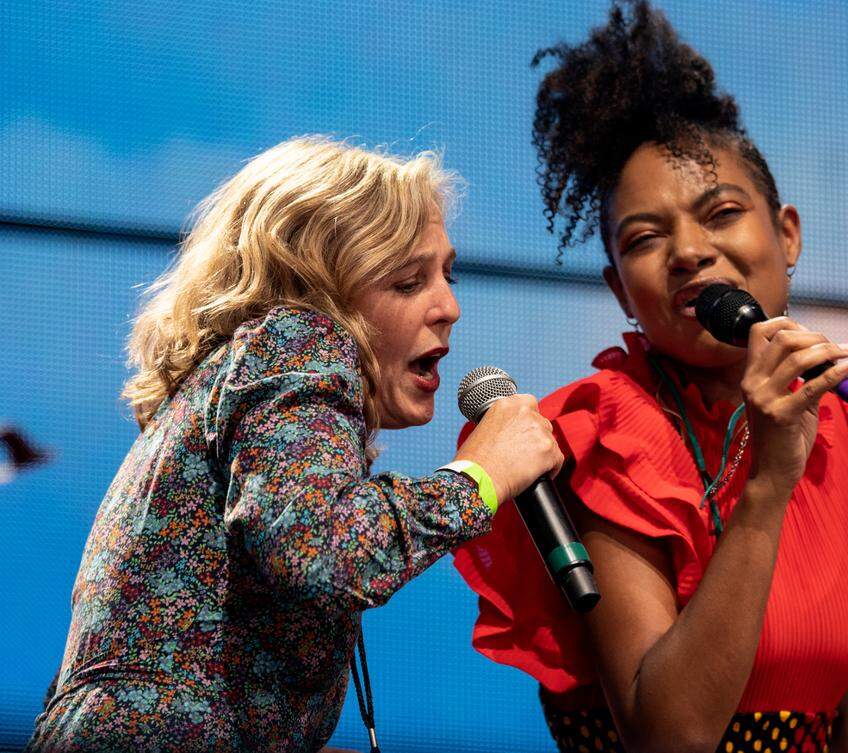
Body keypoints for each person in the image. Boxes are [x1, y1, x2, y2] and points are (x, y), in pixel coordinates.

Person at [453, 0, 848, 753]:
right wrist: (767, 488)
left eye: (721, 214)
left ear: (786, 234)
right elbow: (672, 735)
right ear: (622, 287)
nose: (689, 250)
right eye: (647, 238)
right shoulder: (608, 441)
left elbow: (828, 721)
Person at [26, 137, 563, 753]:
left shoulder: (244, 389)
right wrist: (480, 476)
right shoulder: (296, 336)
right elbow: (321, 551)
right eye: (410, 281)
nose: (450, 307)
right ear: (321, 291)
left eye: (448, 274)